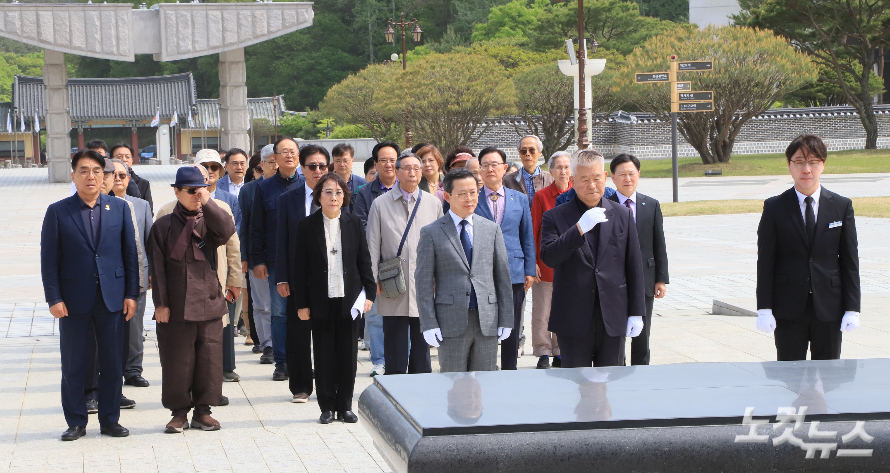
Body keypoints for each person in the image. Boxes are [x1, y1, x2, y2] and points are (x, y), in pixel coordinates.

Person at [41, 149, 138, 441]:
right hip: (72, 300)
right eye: (84, 171)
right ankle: (76, 421)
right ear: (74, 176)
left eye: (97, 171)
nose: (91, 176)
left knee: (111, 362)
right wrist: (53, 298)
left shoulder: (119, 209)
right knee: (74, 363)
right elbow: (49, 260)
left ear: (104, 176)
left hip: (112, 297)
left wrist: (131, 293)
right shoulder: (58, 211)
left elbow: (130, 255)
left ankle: (110, 420)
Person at [147, 166, 236, 433]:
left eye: (202, 189)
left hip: (209, 300)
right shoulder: (163, 225)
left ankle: (204, 411)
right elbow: (157, 267)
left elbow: (227, 230)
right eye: (190, 191)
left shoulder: (210, 219)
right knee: (178, 361)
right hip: (176, 304)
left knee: (209, 360)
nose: (196, 195)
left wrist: (207, 200)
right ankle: (179, 412)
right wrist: (161, 304)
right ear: (177, 191)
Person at [755, 134, 861, 360]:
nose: (806, 169)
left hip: (830, 306)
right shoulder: (774, 207)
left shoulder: (841, 206)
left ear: (823, 165)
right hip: (788, 307)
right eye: (799, 161)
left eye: (813, 162)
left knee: (829, 376)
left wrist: (852, 308)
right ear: (789, 165)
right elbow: (765, 261)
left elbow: (850, 261)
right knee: (790, 375)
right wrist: (764, 308)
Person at [539, 149, 646, 368]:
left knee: (610, 384)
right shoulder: (555, 216)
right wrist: (577, 230)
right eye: (584, 179)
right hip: (573, 318)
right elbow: (549, 257)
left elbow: (633, 265)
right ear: (572, 181)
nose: (591, 185)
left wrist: (636, 312)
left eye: (597, 178)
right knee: (577, 385)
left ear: (605, 178)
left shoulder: (622, 214)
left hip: (613, 315)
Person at [293, 173, 375, 423]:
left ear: (345, 197)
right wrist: (302, 304)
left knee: (348, 356)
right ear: (319, 196)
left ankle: (345, 405)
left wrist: (369, 293)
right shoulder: (306, 226)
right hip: (320, 300)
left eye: (338, 192)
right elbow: (299, 268)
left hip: (349, 300)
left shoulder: (354, 223)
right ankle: (326, 406)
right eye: (328, 192)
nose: (333, 197)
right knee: (324, 354)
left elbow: (364, 262)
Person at [416, 168, 514, 372]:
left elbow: (502, 277)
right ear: (447, 196)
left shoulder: (491, 229)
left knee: (485, 384)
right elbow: (423, 283)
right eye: (462, 194)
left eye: (473, 192)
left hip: (486, 320)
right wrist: (428, 323)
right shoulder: (431, 232)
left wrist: (506, 318)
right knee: (454, 384)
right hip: (450, 320)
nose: (469, 198)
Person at [367, 152, 443, 375]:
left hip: (424, 282)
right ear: (397, 172)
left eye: (416, 168)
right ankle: (395, 390)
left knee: (422, 346)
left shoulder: (432, 203)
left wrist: (440, 278)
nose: (412, 172)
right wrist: (373, 281)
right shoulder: (380, 204)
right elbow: (372, 245)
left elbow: (440, 245)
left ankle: (420, 392)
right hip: (393, 282)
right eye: (407, 168)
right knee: (395, 345)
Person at [275, 144, 330, 399]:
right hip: (298, 278)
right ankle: (300, 386)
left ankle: (328, 384)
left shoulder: (338, 196)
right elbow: (282, 241)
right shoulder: (288, 200)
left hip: (331, 279)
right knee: (297, 333)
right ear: (302, 168)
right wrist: (282, 277)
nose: (318, 171)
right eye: (312, 166)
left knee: (326, 334)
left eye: (322, 166)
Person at [473, 147, 535, 370]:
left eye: (495, 164)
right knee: (485, 322)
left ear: (504, 168)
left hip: (514, 269)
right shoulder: (473, 198)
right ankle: (486, 366)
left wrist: (529, 269)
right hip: (481, 272)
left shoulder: (519, 199)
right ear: (479, 170)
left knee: (512, 322)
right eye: (485, 165)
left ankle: (510, 369)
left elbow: (527, 235)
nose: (490, 169)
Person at [607, 154, 669, 366]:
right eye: (622, 174)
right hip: (614, 279)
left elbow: (658, 243)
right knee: (617, 331)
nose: (627, 179)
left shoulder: (650, 205)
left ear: (639, 175)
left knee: (643, 331)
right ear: (613, 178)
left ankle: (641, 370)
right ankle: (618, 368)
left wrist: (661, 278)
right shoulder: (605, 205)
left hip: (645, 277)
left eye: (631, 174)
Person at [251, 138, 304, 379]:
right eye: (284, 152)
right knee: (279, 312)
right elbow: (257, 227)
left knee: (305, 311)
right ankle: (282, 361)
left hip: (306, 261)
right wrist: (258, 260)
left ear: (298, 156)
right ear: (275, 158)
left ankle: (303, 360)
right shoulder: (263, 188)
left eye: (293, 152)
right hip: (275, 260)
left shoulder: (308, 185)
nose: (289, 156)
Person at [110, 160, 154, 386]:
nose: (118, 179)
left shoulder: (141, 205)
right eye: (114, 175)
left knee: (135, 325)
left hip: (139, 273)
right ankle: (113, 370)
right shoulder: (101, 205)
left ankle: (134, 370)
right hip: (110, 277)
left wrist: (151, 271)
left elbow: (149, 241)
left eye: (122, 175)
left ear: (129, 179)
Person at [530, 151, 573, 369]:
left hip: (571, 265)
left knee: (565, 309)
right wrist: (533, 262)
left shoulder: (578, 193)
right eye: (559, 167)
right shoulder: (542, 196)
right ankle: (543, 351)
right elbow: (533, 230)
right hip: (545, 264)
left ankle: (560, 350)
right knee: (542, 310)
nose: (563, 171)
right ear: (551, 171)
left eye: (566, 167)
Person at [240, 145, 277, 357]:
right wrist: (244, 256)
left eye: (277, 161)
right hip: (257, 256)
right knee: (262, 304)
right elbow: (243, 225)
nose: (275, 166)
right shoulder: (249, 190)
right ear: (261, 165)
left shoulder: (292, 186)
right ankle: (266, 344)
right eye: (270, 162)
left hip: (282, 257)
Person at [353, 142, 400, 227]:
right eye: (383, 160)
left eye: (392, 160)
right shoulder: (364, 193)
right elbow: (361, 224)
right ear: (375, 164)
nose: (388, 165)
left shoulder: (407, 189)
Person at [196, 149, 242, 231]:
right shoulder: (188, 196)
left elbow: (236, 230)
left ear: (220, 170)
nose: (209, 171)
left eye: (214, 167)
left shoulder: (231, 200)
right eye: (204, 167)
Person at [503, 135, 553, 205]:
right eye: (523, 151)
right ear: (519, 154)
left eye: (532, 150)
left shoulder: (551, 179)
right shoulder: (507, 181)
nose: (527, 154)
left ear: (539, 153)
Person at [111, 143, 153, 212]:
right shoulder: (104, 182)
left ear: (132, 160)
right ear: (111, 159)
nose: (124, 159)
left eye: (127, 157)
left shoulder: (144, 184)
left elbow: (148, 211)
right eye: (119, 156)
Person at [331, 143, 367, 214]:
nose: (341, 164)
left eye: (345, 161)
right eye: (338, 161)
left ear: (352, 161)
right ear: (333, 162)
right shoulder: (326, 183)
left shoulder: (363, 184)